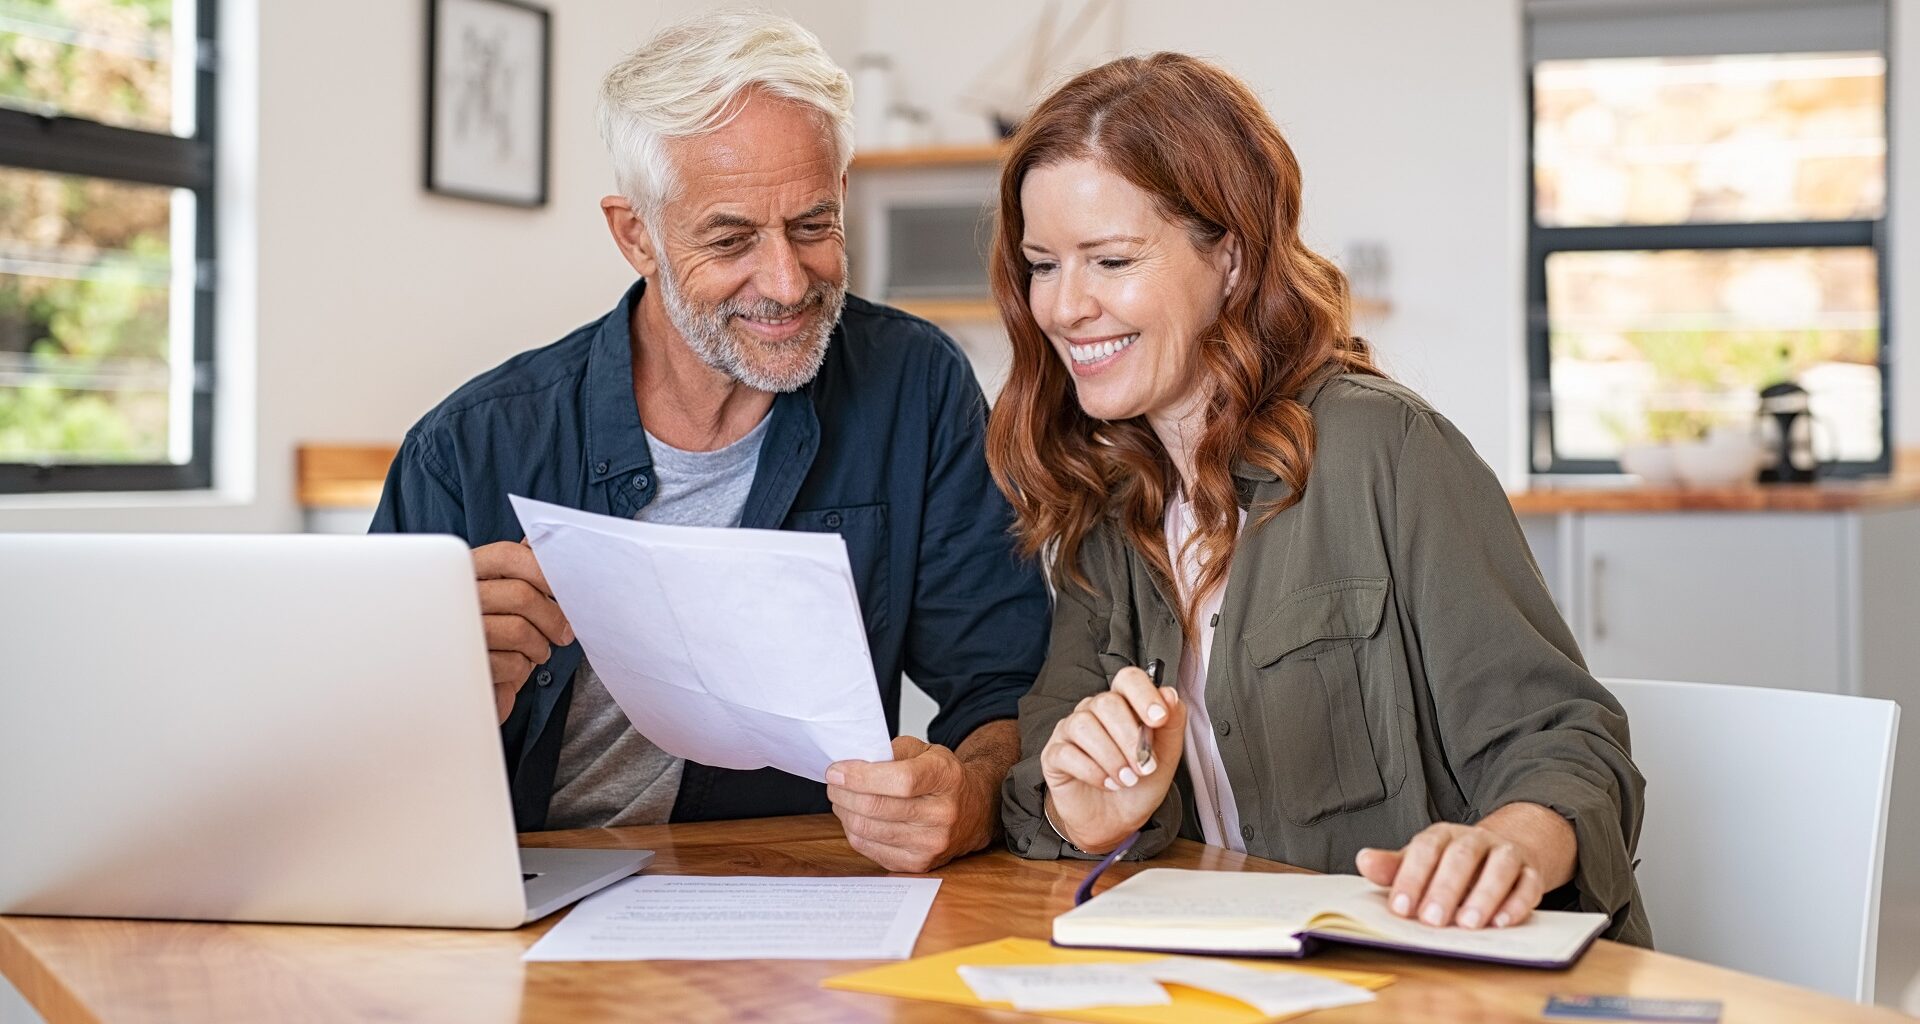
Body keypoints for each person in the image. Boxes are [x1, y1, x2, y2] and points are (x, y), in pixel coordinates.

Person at [987, 53, 1650, 944]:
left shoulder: (1388, 451)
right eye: (1042, 265)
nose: (1065, 307)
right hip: (1242, 980)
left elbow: (1568, 744)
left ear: (1230, 256)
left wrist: (1510, 844)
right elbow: (1041, 778)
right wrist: (1089, 811)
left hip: (1433, 983)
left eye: (1110, 259)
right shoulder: (1110, 504)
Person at [371, 11, 1049, 874]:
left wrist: (970, 795)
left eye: (813, 225)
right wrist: (439, 687)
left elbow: (1005, 689)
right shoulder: (468, 447)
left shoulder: (914, 386)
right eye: (730, 239)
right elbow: (351, 763)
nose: (786, 282)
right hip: (522, 891)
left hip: (784, 891)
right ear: (635, 235)